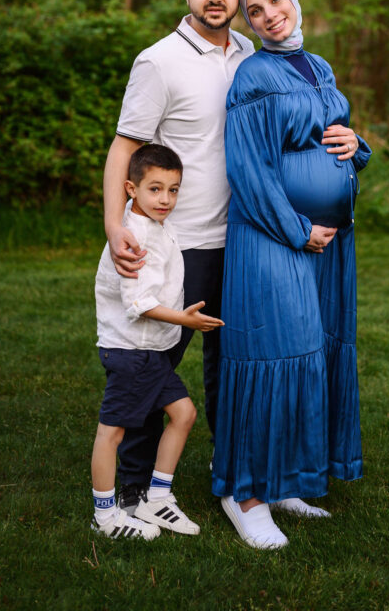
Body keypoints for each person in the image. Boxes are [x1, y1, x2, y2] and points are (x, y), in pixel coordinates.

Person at [212, 0, 371, 550]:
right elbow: (248, 169)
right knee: (272, 354)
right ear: (249, 24)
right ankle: (244, 494)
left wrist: (358, 147)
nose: (269, 13)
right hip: (273, 238)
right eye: (254, 10)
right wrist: (297, 230)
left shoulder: (319, 66)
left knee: (311, 354)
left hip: (328, 245)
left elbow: (336, 138)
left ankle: (284, 484)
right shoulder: (254, 75)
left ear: (294, 1)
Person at [103, 0, 255, 512]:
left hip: (238, 240)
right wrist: (116, 225)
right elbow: (126, 146)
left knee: (229, 367)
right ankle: (134, 489)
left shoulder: (248, 54)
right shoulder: (159, 60)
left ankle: (230, 470)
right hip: (175, 246)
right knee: (152, 366)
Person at [92, 143, 224, 539]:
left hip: (152, 352)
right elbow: (139, 302)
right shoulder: (133, 236)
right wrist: (185, 320)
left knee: (183, 414)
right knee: (111, 433)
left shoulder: (160, 227)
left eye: (173, 189)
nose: (165, 199)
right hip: (131, 352)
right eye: (155, 189)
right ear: (131, 188)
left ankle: (156, 497)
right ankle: (105, 516)